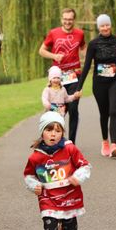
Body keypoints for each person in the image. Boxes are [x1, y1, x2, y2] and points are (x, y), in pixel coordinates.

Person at [23, 111, 91, 230]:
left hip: (69, 197)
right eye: (49, 130)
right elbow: (29, 176)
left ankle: (63, 224)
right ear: (42, 132)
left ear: (62, 133)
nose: (53, 134)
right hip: (48, 199)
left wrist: (78, 177)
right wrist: (34, 186)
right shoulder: (36, 156)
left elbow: (85, 166)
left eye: (58, 130)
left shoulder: (70, 149)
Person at [77, 14, 116, 158]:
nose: (105, 28)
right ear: (99, 27)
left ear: (111, 25)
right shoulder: (93, 44)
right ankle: (105, 141)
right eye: (102, 25)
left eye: (107, 25)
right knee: (104, 114)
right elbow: (86, 67)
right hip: (99, 83)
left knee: (113, 111)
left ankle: (114, 145)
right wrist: (79, 88)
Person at [39, 8, 86, 142]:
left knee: (73, 108)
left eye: (70, 19)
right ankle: (53, 139)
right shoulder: (53, 33)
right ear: (61, 19)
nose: (67, 22)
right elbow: (41, 51)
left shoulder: (80, 33)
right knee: (59, 111)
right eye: (65, 19)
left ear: (74, 20)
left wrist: (88, 59)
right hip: (57, 79)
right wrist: (54, 56)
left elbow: (83, 48)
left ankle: (71, 142)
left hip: (74, 75)